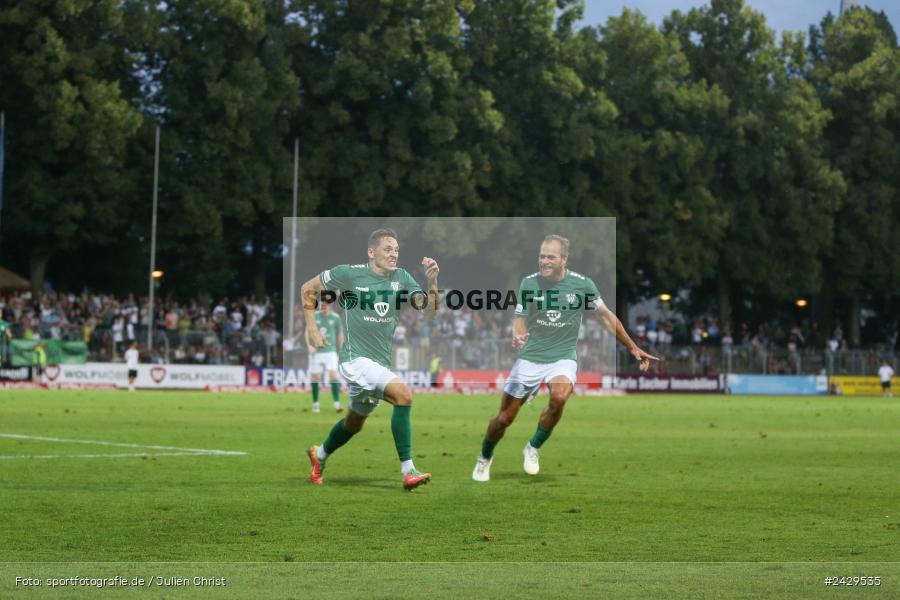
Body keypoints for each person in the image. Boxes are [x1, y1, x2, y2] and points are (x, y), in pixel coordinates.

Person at [472, 234, 658, 482]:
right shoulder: (529, 283)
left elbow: (605, 316)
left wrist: (632, 346)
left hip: (562, 357)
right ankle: (485, 458)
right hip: (530, 357)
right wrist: (517, 335)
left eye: (550, 257)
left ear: (564, 260)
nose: (544, 261)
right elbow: (520, 317)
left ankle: (533, 447)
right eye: (541, 256)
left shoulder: (582, 285)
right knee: (505, 418)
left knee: (559, 397)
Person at [301, 228, 440, 491]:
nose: (394, 254)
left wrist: (432, 283)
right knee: (404, 395)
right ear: (371, 252)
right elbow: (308, 288)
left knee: (354, 424)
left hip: (378, 364)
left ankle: (318, 457)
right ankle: (408, 469)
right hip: (354, 360)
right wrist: (312, 328)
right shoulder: (349, 273)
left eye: (397, 250)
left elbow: (429, 314)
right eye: (388, 249)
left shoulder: (402, 278)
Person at [306, 301, 344, 413]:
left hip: (330, 352)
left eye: (325, 305)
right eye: (322, 305)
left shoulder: (336, 318)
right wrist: (309, 346)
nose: (323, 307)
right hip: (317, 352)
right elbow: (307, 332)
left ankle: (337, 404)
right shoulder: (314, 316)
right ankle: (315, 404)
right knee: (316, 378)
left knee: (333, 376)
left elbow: (340, 335)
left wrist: (340, 350)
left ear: (329, 306)